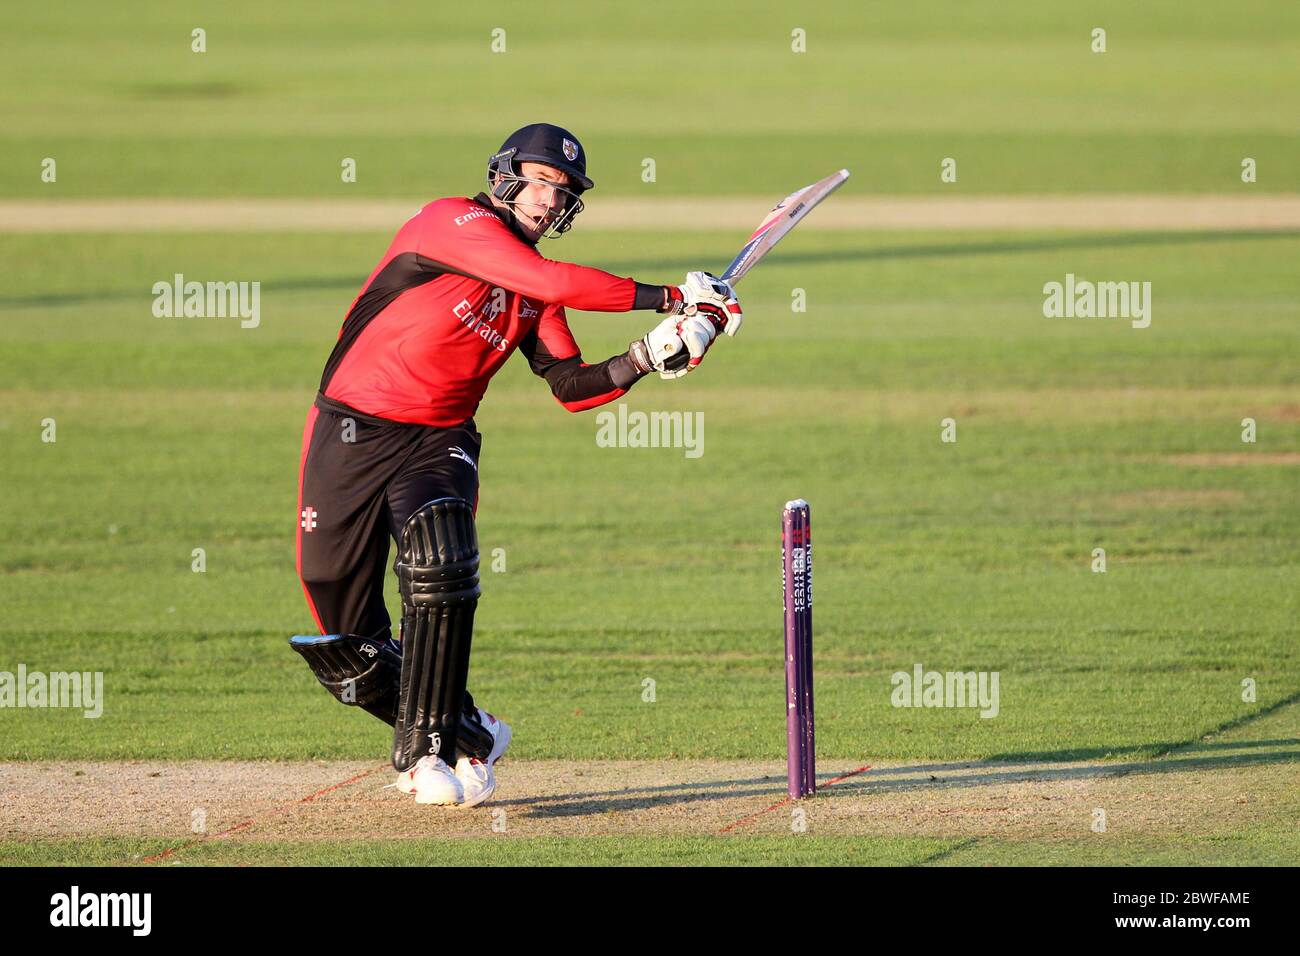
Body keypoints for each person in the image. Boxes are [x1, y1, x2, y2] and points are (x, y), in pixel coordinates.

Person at [288, 123, 743, 807]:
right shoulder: (450, 221)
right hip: (350, 430)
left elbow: (570, 385)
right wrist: (676, 298)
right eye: (537, 179)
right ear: (503, 176)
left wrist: (652, 355)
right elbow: (549, 276)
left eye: (560, 192)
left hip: (437, 439)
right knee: (345, 643)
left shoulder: (534, 295)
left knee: (438, 563)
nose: (546, 198)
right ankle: (468, 731)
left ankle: (421, 755)